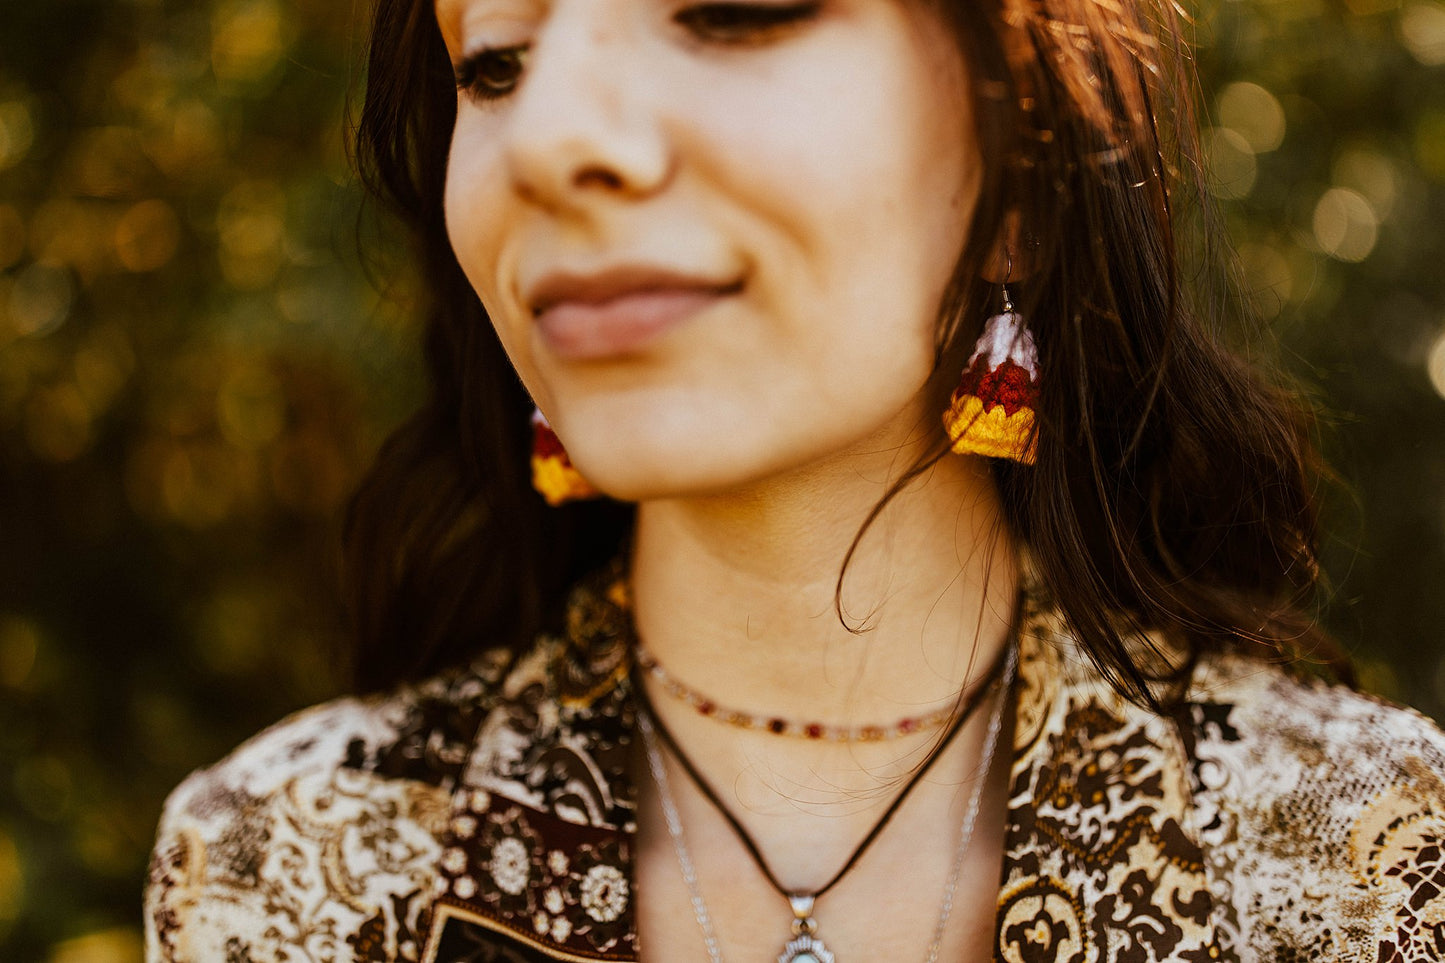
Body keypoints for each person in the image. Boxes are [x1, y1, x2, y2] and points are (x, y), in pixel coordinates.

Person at [144, 0, 1445, 959]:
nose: (549, 142)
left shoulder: (1363, 866)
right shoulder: (277, 870)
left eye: (728, 15)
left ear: (1025, 183)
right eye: (495, 64)